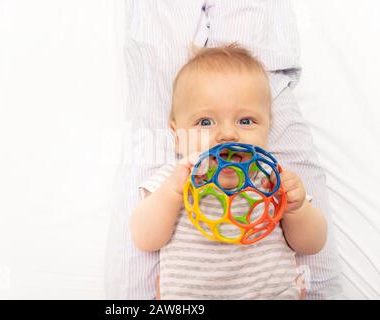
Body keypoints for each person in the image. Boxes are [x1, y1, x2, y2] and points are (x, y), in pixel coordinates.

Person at [105, 0, 342, 299]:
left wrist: (299, 210)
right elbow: (144, 237)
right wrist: (170, 194)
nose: (228, 134)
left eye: (246, 120)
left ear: (268, 130)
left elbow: (312, 244)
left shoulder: (273, 180)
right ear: (178, 137)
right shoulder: (177, 179)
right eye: (205, 121)